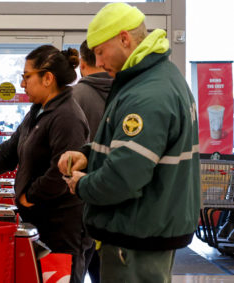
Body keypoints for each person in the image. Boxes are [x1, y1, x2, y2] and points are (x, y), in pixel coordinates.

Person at [58, 3, 200, 283]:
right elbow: (130, 151)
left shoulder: (147, 94)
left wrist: (81, 184)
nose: (97, 62)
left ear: (124, 39)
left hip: (136, 239)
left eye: (100, 51)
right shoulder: (157, 78)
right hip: (147, 230)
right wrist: (89, 155)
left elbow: (124, 177)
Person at [0, 45, 90, 283]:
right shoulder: (38, 111)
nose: (23, 84)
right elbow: (9, 151)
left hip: (62, 229)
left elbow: (62, 172)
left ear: (48, 78)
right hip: (41, 222)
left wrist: (30, 196)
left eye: (27, 76)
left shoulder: (67, 116)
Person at [72, 39, 113, 283]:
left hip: (80, 197)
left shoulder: (74, 96)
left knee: (80, 267)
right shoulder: (127, 94)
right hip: (115, 201)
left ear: (82, 63)